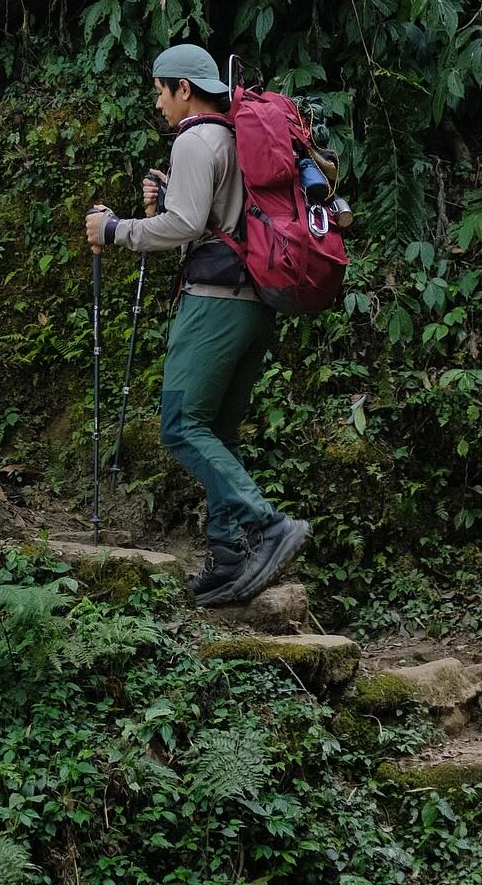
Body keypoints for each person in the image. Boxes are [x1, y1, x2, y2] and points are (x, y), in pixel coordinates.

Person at [85, 43, 309, 607]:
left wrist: (116, 230)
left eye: (160, 90)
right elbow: (207, 213)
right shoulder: (235, 135)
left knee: (181, 425)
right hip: (256, 305)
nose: (158, 102)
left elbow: (183, 226)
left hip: (212, 305)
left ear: (184, 88)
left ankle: (264, 526)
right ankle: (229, 556)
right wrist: (164, 202)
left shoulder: (194, 138)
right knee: (218, 432)